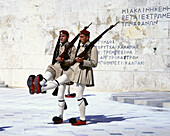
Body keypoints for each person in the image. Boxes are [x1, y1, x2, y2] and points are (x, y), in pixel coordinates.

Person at [39, 30, 98, 125]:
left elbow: (94, 63)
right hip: (73, 70)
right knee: (58, 82)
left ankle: (82, 119)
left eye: (82, 37)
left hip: (82, 72)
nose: (80, 38)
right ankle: (40, 88)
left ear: (87, 37)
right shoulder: (80, 46)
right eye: (80, 36)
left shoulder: (93, 48)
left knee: (79, 96)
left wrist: (83, 61)